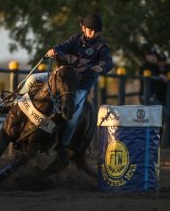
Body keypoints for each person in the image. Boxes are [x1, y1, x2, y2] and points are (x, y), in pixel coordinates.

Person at [16, 14, 114, 160]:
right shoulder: (75, 39)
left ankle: (64, 144)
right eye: (90, 30)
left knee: (73, 116)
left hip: (80, 86)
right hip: (62, 78)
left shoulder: (101, 47)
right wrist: (54, 50)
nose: (92, 33)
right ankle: (15, 104)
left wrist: (101, 67)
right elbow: (61, 47)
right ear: (83, 28)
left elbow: (108, 63)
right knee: (32, 79)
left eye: (96, 31)